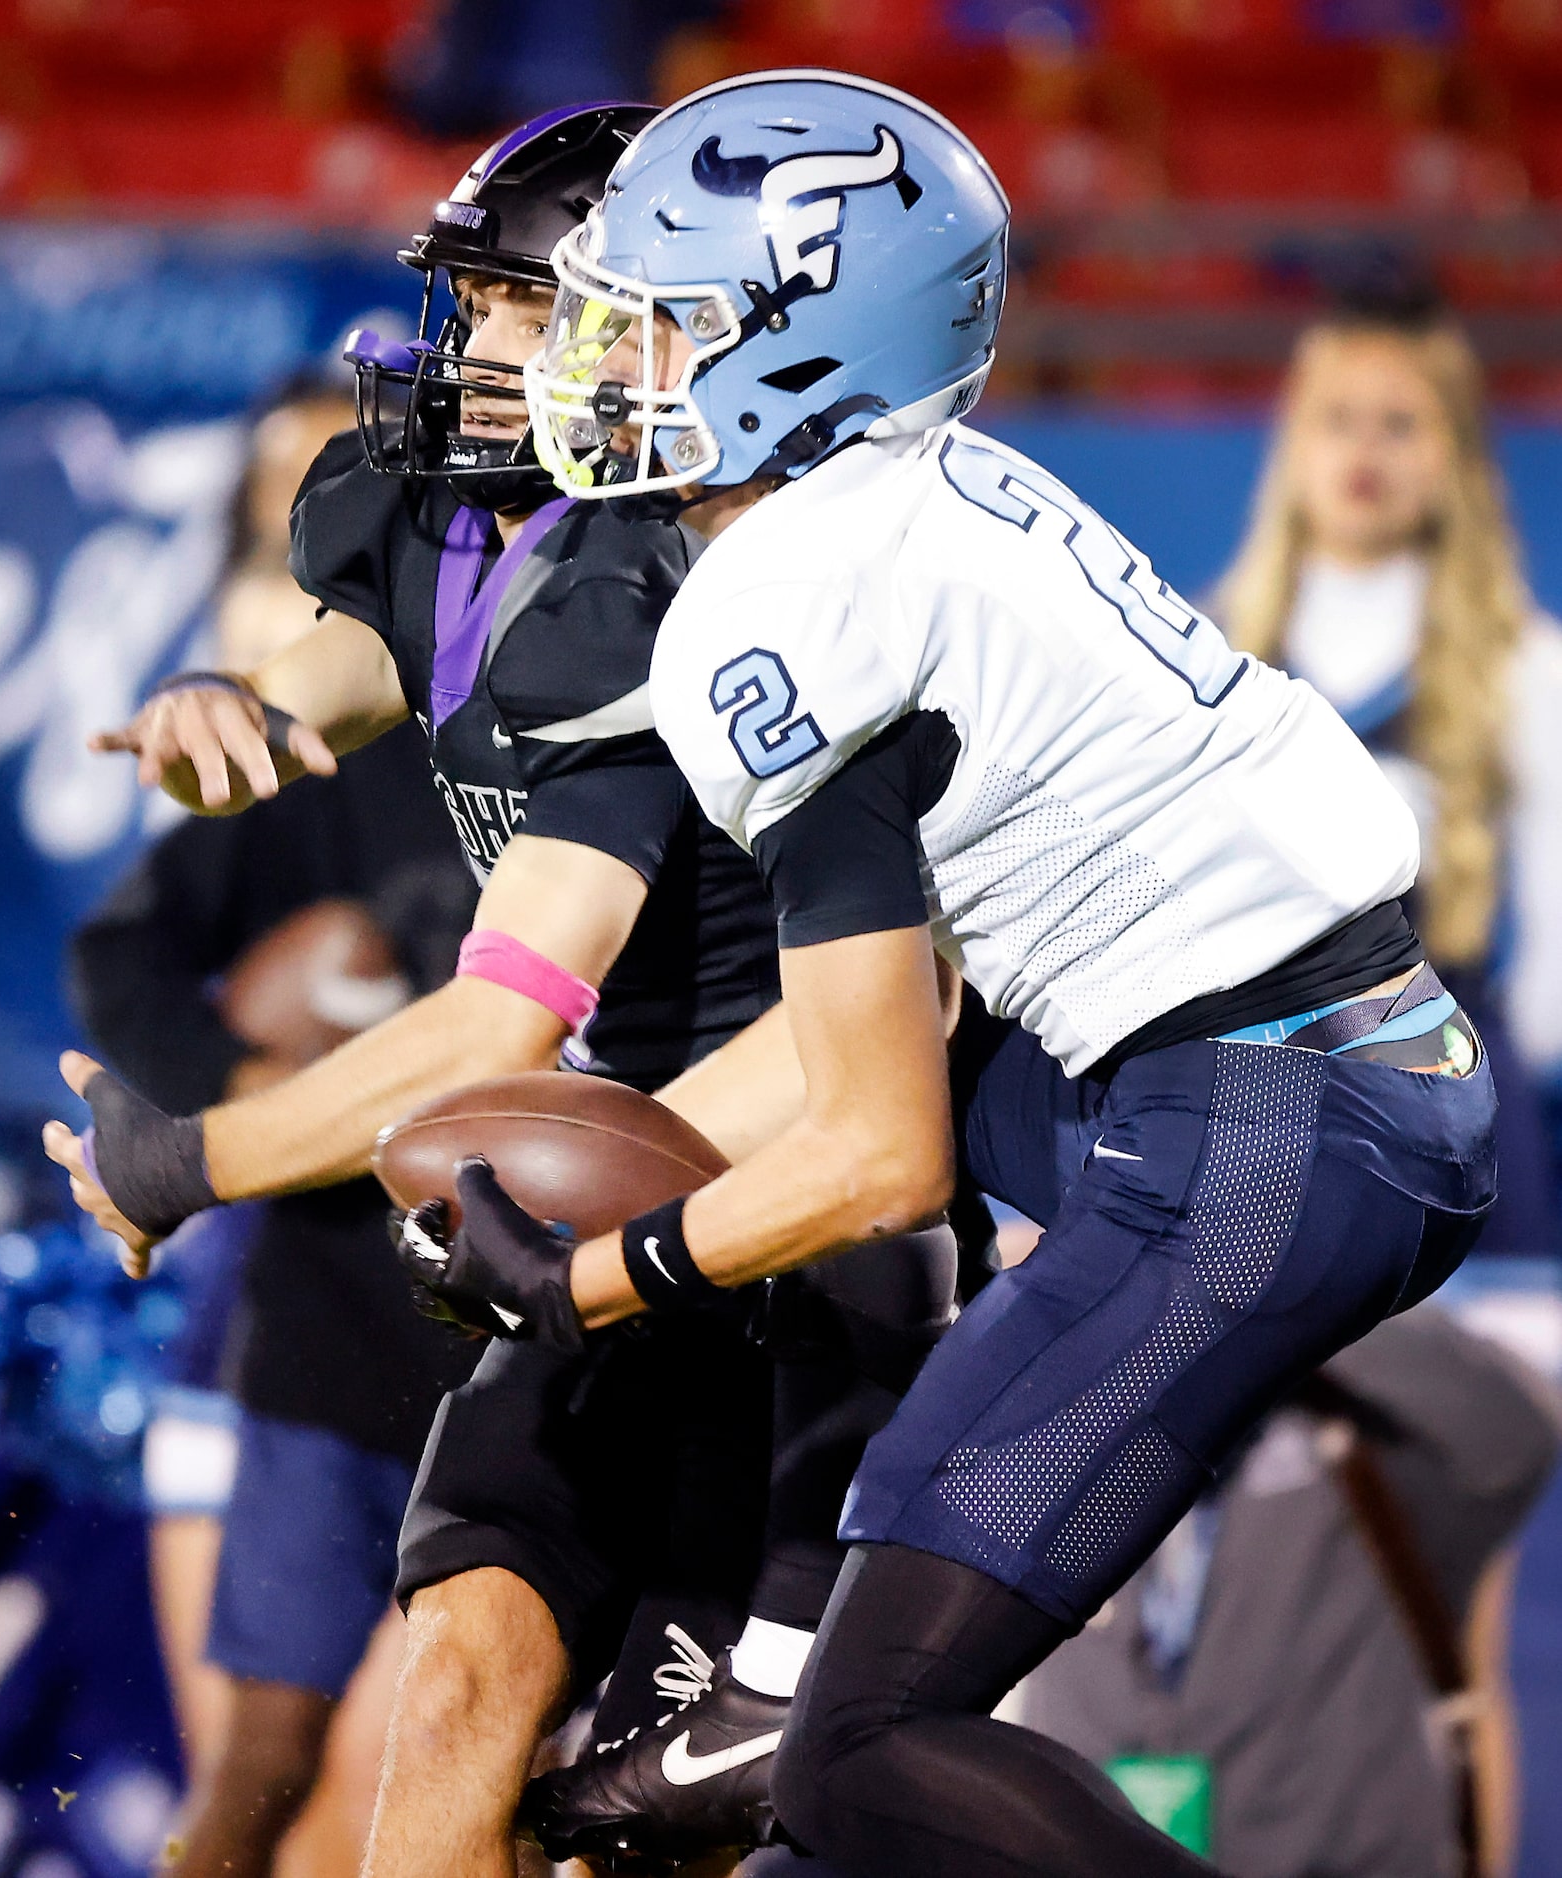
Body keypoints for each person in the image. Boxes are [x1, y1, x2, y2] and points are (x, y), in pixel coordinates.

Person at [413, 67, 1500, 1878]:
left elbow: (880, 1150)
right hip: (1312, 1065)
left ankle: (785, 1688)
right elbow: (883, 1025)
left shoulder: (774, 601)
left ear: (794, 350)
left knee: (868, 1750)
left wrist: (596, 1274)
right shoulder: (920, 493)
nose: (592, 363)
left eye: (650, 322)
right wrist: (599, 1158)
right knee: (857, 1291)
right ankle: (779, 1654)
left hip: (1253, 1117)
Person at [43, 104, 955, 1878]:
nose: (470, 352)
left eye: (521, 310)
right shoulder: (463, 513)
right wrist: (252, 702)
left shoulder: (683, 578)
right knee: (458, 1685)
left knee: (658, 1837)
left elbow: (499, 1021)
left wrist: (190, 1155)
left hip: (787, 1227)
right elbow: (379, 641)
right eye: (465, 303)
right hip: (591, 1205)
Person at [69, 377, 483, 1878]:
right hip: (327, 1319)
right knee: (259, 1760)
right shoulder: (333, 752)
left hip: (539, 1327)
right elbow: (122, 953)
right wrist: (235, 1094)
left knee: (466, 1762)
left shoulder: (616, 750)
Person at [1216, 298, 1562, 1261]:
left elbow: (1552, 949)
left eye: (1401, 423)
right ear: (1293, 446)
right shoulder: (1212, 662)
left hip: (1461, 1112)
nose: (1365, 449)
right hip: (1257, 1106)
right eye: (1336, 419)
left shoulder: (1524, 668)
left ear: (1454, 454)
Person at [1021, 1303, 1562, 1878]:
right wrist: (1054, 1288)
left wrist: (1274, 1285)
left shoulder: (1370, 1429)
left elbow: (1518, 1431)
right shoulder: (1053, 1407)